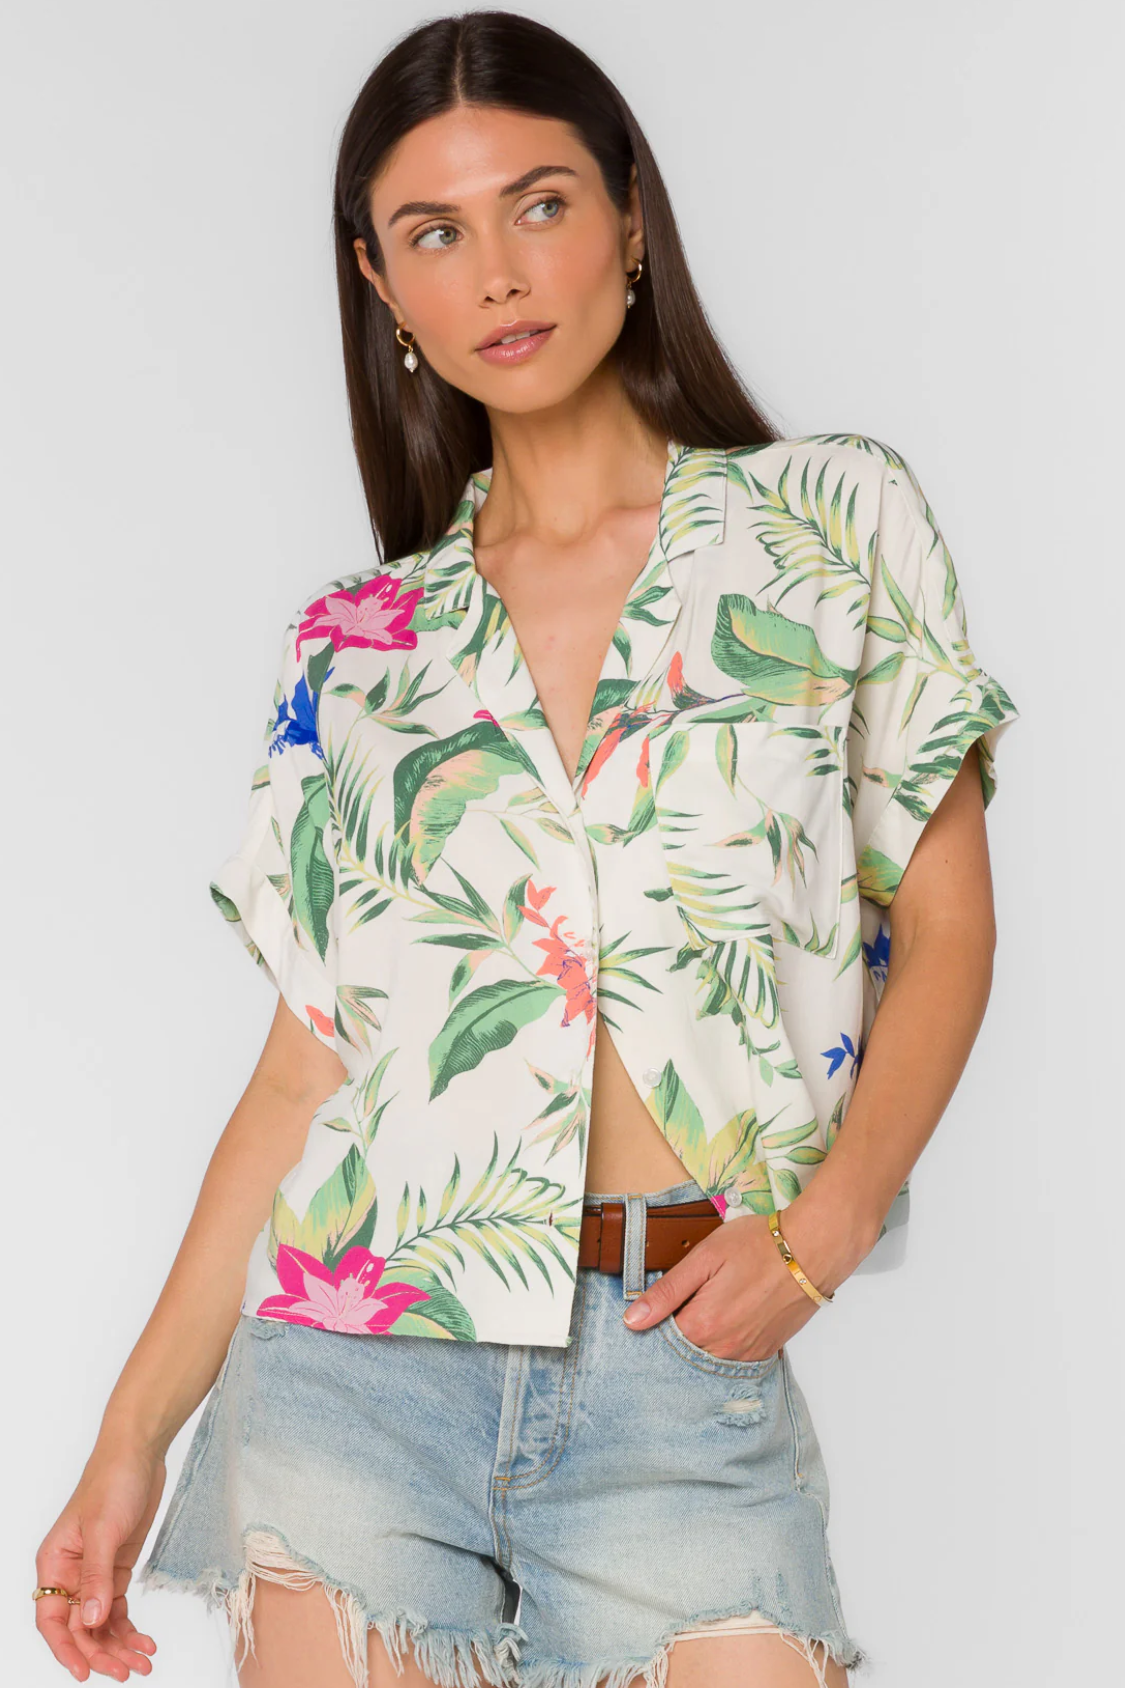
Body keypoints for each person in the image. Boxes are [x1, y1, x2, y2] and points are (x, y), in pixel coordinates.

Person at [32, 12, 1021, 1688]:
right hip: (358, 1373)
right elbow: (300, 1076)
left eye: (540, 204)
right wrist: (128, 1442)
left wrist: (826, 1232)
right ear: (382, 286)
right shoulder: (356, 648)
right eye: (434, 233)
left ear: (631, 216)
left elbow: (946, 927)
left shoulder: (828, 526)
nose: (497, 272)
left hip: (683, 1368)